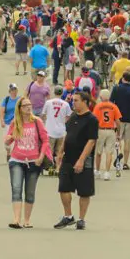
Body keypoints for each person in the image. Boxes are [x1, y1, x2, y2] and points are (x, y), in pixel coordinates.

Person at [55, 91, 99, 230]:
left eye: (76, 100)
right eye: (72, 100)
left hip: (83, 159)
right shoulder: (73, 116)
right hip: (68, 158)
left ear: (85, 102)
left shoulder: (92, 119)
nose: (73, 103)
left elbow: (91, 141)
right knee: (63, 187)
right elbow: (67, 135)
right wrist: (60, 152)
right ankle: (68, 216)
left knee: (84, 191)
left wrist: (81, 160)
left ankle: (81, 219)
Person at [4, 98, 50, 229]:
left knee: (30, 192)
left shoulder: (37, 121)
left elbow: (45, 141)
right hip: (17, 160)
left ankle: (27, 220)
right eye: (25, 105)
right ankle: (16, 219)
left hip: (34, 161)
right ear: (20, 108)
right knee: (16, 188)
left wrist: (41, 156)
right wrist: (10, 137)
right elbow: (7, 141)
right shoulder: (15, 122)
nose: (28, 107)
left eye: (29, 105)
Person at [110, 72, 130, 169]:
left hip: (118, 118)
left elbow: (111, 103)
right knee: (127, 141)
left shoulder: (116, 88)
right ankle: (126, 163)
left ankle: (119, 153)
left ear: (123, 78)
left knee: (118, 138)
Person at [42, 86, 72, 175]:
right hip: (61, 131)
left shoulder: (48, 102)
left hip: (50, 130)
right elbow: (68, 116)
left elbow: (43, 114)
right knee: (60, 151)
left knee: (49, 150)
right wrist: (63, 121)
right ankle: (58, 168)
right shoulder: (65, 104)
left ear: (54, 92)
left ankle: (50, 167)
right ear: (62, 93)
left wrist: (46, 122)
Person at [92, 89, 121, 180]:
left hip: (100, 130)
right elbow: (118, 121)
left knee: (98, 152)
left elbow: (94, 120)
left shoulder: (98, 106)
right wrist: (118, 133)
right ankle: (107, 173)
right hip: (111, 130)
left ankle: (97, 171)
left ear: (101, 97)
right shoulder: (114, 106)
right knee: (109, 152)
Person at [0, 84, 20, 160]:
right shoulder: (6, 100)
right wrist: (2, 121)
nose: (14, 91)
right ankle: (8, 152)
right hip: (7, 123)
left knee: (17, 139)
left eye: (15, 89)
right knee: (7, 141)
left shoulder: (20, 99)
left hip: (17, 123)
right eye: (12, 90)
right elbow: (2, 111)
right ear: (9, 91)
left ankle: (15, 155)